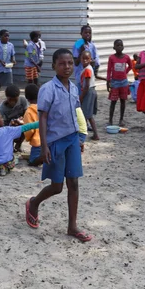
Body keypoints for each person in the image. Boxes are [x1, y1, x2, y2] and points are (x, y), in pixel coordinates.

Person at [25, 48, 92, 243]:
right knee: (57, 187)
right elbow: (43, 118)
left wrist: (80, 137)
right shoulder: (48, 89)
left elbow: (76, 114)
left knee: (74, 183)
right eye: (62, 63)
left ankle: (72, 226)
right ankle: (34, 203)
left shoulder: (73, 87)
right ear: (54, 65)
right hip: (55, 142)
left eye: (70, 63)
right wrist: (44, 146)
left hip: (72, 139)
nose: (67, 67)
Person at [0, 98, 39, 175]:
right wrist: (41, 122)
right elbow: (27, 127)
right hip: (7, 164)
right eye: (0, 117)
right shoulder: (8, 130)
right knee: (15, 158)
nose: (2, 119)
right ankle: (3, 169)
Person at [106, 39, 132, 125]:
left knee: (123, 101)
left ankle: (121, 119)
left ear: (123, 47)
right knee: (113, 101)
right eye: (117, 45)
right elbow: (109, 70)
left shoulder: (126, 57)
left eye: (121, 45)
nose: (119, 47)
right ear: (114, 47)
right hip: (115, 82)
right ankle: (110, 120)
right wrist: (108, 81)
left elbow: (130, 66)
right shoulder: (111, 58)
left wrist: (125, 72)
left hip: (124, 82)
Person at [79, 50, 101, 141]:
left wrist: (81, 97)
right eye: (83, 58)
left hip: (88, 92)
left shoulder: (87, 69)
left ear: (90, 59)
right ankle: (94, 134)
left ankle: (83, 135)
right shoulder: (88, 68)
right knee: (88, 114)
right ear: (80, 59)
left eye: (87, 58)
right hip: (91, 91)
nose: (84, 60)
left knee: (85, 114)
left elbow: (87, 86)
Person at [0, 29, 16, 104]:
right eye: (5, 36)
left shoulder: (11, 45)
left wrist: (13, 61)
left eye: (8, 36)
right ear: (0, 36)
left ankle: (9, 100)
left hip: (7, 68)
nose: (7, 37)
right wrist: (0, 61)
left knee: (10, 85)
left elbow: (12, 55)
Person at [23, 84, 42, 166]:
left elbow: (29, 130)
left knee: (32, 161)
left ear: (26, 97)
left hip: (37, 142)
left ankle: (44, 159)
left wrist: (28, 138)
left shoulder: (29, 111)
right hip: (50, 139)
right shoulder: (44, 107)